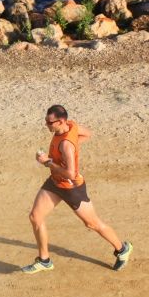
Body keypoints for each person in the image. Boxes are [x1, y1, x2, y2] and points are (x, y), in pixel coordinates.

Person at [22, 105, 133, 274]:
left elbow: (72, 174)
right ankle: (44, 260)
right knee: (35, 217)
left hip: (71, 188)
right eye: (45, 121)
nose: (46, 125)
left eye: (49, 122)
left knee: (92, 223)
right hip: (54, 183)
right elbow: (88, 134)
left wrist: (48, 162)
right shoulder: (72, 126)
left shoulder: (66, 144)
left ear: (61, 121)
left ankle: (122, 249)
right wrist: (67, 155)